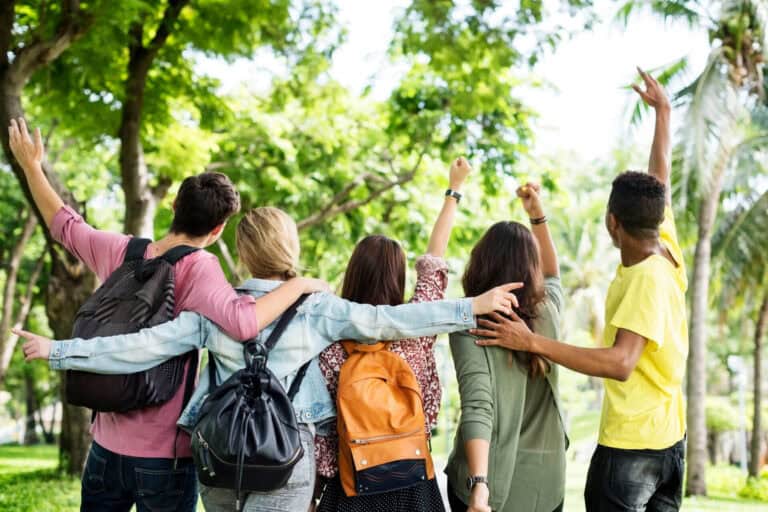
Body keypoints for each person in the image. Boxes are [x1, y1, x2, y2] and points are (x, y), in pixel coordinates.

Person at [16, 178, 521, 512]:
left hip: (217, 458)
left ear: (240, 252)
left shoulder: (213, 308)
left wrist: (58, 350)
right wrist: (471, 306)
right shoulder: (319, 309)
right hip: (285, 461)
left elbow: (137, 347)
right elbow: (396, 320)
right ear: (292, 251)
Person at [7, 117, 329, 512]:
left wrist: (32, 167)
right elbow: (244, 323)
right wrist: (298, 285)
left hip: (105, 448)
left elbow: (64, 225)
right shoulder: (201, 267)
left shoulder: (120, 251)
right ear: (217, 230)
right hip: (165, 458)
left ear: (173, 205)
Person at [471, 69, 688, 511]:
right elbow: (659, 180)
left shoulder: (646, 277)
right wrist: (664, 114)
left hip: (633, 452)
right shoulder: (665, 246)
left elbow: (621, 362)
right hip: (670, 443)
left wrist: (532, 341)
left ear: (612, 223)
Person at [314, 157, 472, 512]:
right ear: (397, 279)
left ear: (352, 274)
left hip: (351, 486)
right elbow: (434, 262)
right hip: (413, 483)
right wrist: (454, 189)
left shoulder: (329, 339)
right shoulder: (416, 329)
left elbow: (323, 435)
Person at [443, 182, 567, 512]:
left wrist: (479, 486)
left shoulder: (471, 324)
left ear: (481, 262)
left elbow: (478, 406)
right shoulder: (549, 312)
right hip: (545, 486)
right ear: (532, 267)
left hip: (492, 486)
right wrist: (537, 216)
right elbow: (553, 273)